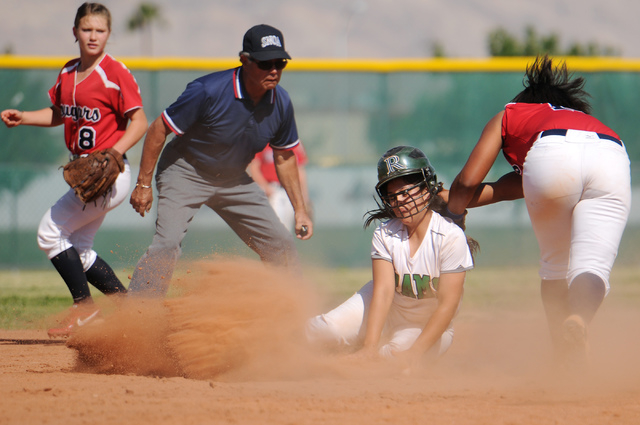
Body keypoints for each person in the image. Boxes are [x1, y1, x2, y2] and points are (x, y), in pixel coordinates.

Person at [445, 55, 631, 367]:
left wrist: (453, 210)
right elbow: (515, 186)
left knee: (555, 267)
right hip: (612, 153)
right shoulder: (583, 120)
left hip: (550, 154)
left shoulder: (512, 112)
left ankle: (563, 358)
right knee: (593, 267)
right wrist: (456, 198)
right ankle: (579, 319)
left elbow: (466, 182)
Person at [128, 24, 312, 297]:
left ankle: (289, 316)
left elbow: (285, 157)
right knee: (167, 244)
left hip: (234, 179)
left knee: (281, 244)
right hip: (186, 171)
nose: (274, 69)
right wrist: (143, 184)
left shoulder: (280, 102)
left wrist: (299, 210)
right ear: (245, 60)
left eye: (280, 62)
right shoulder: (208, 90)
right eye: (265, 62)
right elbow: (158, 129)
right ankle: (136, 318)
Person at [0, 2, 148, 337]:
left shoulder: (115, 73)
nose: (93, 36)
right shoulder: (68, 73)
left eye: (100, 30)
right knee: (78, 250)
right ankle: (129, 311)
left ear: (109, 34)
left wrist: (114, 152)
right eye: (87, 29)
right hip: (87, 177)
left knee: (49, 233)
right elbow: (58, 113)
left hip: (110, 173)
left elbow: (139, 122)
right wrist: (24, 117)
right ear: (75, 32)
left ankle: (84, 308)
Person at [306, 146, 476, 370]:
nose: (400, 201)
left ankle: (347, 357)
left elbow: (448, 305)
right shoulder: (385, 233)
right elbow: (384, 292)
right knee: (325, 331)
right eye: (393, 195)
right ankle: (271, 344)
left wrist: (416, 353)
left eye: (406, 192)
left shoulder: (450, 236)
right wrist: (369, 347)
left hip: (425, 326)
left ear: (426, 189)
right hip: (386, 309)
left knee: (394, 364)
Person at [249, 142, 310, 233]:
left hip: (291, 191)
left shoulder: (295, 143)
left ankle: (284, 247)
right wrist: (266, 188)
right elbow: (254, 168)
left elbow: (300, 170)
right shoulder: (263, 141)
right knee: (273, 228)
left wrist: (304, 198)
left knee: (286, 229)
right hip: (272, 189)